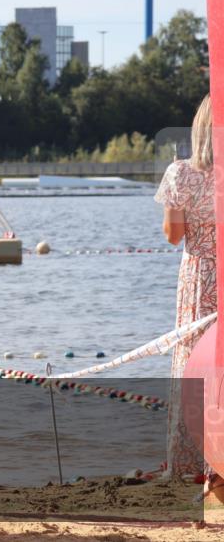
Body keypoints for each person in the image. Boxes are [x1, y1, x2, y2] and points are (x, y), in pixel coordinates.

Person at [156, 93, 219, 488]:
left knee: (194, 364)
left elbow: (173, 236)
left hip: (201, 278)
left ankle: (191, 462)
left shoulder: (180, 172)